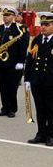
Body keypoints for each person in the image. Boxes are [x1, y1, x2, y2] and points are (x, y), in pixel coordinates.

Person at [0, 6, 28, 118]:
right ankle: (5, 107)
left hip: (13, 64)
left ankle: (12, 109)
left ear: (13, 16)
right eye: (4, 15)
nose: (5, 17)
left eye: (8, 15)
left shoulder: (20, 29)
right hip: (0, 63)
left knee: (12, 87)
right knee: (2, 86)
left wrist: (21, 61)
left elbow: (23, 46)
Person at [24, 12, 53, 146]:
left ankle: (50, 135)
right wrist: (27, 79)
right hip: (37, 80)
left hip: (50, 82)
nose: (43, 27)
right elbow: (30, 60)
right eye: (41, 24)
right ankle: (41, 133)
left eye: (47, 25)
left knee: (50, 109)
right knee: (40, 109)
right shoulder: (36, 40)